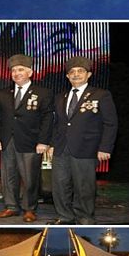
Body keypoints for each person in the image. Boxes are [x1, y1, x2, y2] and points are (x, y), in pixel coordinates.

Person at [48, 56, 118, 225]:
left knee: (84, 186)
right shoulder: (60, 97)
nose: (76, 74)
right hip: (61, 148)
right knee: (59, 185)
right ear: (67, 76)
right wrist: (51, 144)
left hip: (87, 148)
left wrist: (105, 148)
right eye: (72, 72)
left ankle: (85, 216)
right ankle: (65, 216)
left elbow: (110, 123)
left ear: (89, 74)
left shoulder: (101, 95)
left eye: (80, 71)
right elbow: (54, 123)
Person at [0, 54, 53, 223]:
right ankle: (11, 206)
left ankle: (29, 209)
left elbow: (48, 118)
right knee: (8, 176)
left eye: (20, 70)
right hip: (7, 141)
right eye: (13, 70)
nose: (16, 73)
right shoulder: (3, 93)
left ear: (30, 72)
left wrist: (44, 141)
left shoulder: (42, 93)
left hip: (31, 142)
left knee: (30, 177)